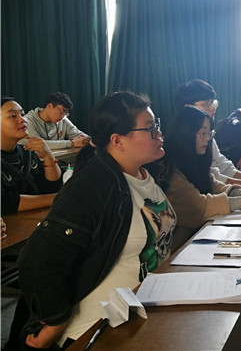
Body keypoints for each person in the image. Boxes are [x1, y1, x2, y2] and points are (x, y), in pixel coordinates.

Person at [9, 92, 176, 349]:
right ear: (117, 140)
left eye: (157, 125)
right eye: (150, 128)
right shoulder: (94, 185)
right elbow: (39, 260)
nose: (159, 134)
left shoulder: (144, 174)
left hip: (142, 308)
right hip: (99, 326)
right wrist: (54, 321)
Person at [158, 106, 241, 249]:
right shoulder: (170, 171)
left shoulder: (195, 159)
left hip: (201, 234)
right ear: (185, 133)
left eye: (209, 133)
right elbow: (202, 207)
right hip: (181, 247)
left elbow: (215, 185)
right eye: (203, 133)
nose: (207, 138)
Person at [175, 79, 241, 189]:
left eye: (212, 103)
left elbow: (223, 165)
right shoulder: (183, 138)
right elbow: (212, 178)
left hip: (219, 183)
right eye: (206, 104)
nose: (213, 108)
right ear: (188, 108)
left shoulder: (207, 134)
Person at [1, 97, 62, 214]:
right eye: (13, 116)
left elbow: (51, 187)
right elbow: (5, 203)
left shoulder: (27, 152)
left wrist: (48, 156)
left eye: (22, 114)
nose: (22, 120)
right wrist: (58, 198)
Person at [21, 91, 90, 149]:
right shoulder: (27, 121)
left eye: (66, 113)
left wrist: (86, 139)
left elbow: (78, 135)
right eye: (62, 111)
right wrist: (71, 143)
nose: (63, 116)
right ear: (49, 106)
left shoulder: (63, 120)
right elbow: (36, 144)